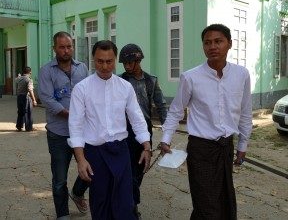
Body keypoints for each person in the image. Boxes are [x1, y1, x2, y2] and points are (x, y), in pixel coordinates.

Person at [159, 24, 252, 220]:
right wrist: (165, 139)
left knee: (224, 202)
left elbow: (245, 112)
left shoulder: (241, 75)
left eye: (218, 41)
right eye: (207, 42)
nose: (213, 46)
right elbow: (176, 111)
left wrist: (242, 146)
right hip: (201, 150)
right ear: (203, 47)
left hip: (226, 147)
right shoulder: (191, 77)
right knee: (206, 205)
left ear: (229, 44)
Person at [67, 40, 151, 220]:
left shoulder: (125, 87)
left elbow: (137, 118)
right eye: (100, 61)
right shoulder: (82, 89)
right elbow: (75, 126)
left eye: (109, 61)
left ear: (115, 61)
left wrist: (146, 146)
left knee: (125, 202)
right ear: (93, 60)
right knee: (101, 201)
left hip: (121, 151)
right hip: (95, 153)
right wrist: (81, 160)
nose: (105, 66)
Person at [38, 31, 89, 220]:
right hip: (58, 134)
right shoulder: (46, 71)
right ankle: (63, 215)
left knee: (92, 169)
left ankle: (77, 192)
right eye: (62, 47)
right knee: (59, 180)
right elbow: (47, 99)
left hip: (83, 133)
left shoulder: (82, 68)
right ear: (54, 48)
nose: (66, 50)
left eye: (69, 46)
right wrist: (73, 114)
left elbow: (89, 94)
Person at [119, 43, 167, 218]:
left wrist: (167, 134)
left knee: (140, 170)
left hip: (145, 131)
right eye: (124, 63)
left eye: (129, 62)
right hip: (125, 130)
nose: (126, 66)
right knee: (129, 171)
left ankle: (130, 199)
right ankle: (132, 207)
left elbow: (161, 107)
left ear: (138, 60)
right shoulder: (120, 80)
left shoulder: (151, 81)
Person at [16, 66, 37, 132]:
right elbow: (30, 90)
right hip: (26, 97)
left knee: (20, 112)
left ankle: (19, 126)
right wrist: (34, 100)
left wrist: (19, 76)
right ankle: (29, 128)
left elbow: (16, 79)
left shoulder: (19, 78)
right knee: (27, 112)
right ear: (30, 72)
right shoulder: (29, 79)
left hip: (19, 97)